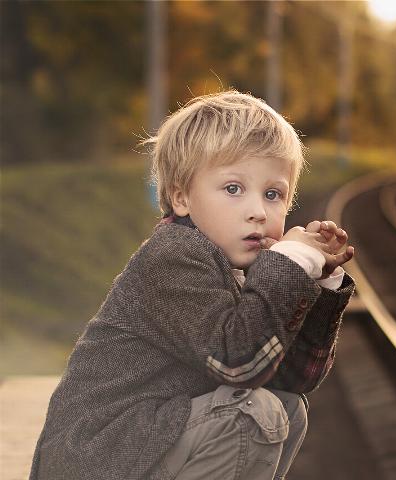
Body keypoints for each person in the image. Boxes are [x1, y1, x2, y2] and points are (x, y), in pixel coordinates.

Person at [30, 90, 356, 480]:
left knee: (287, 405)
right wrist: (288, 264)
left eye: (273, 194)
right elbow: (238, 363)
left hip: (147, 445)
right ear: (181, 197)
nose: (257, 211)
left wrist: (316, 281)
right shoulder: (174, 256)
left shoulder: (245, 267)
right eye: (233, 189)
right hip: (99, 458)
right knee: (254, 415)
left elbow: (293, 376)